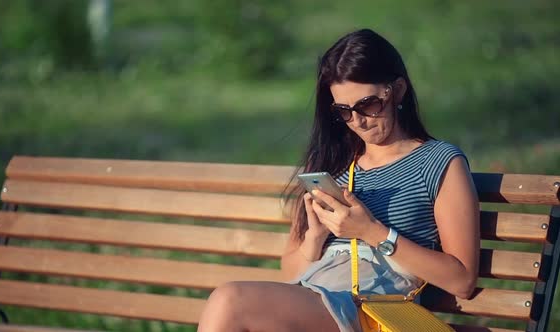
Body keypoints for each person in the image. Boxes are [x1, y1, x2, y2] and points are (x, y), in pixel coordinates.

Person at [197, 28, 480, 332]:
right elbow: (290, 272)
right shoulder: (331, 164)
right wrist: (315, 237)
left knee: (229, 300)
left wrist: (371, 232)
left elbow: (462, 280)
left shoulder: (438, 162)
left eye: (367, 104)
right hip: (316, 298)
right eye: (343, 111)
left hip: (375, 309)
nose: (357, 120)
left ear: (397, 90)